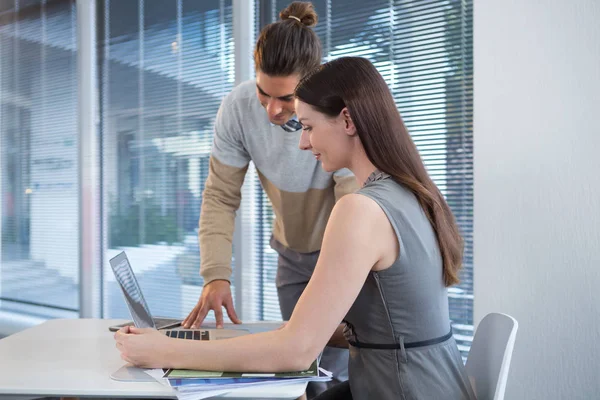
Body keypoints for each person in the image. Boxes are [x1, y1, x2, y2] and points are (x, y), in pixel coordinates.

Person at [115, 56, 477, 400]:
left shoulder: (361, 210)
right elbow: (386, 326)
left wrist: (164, 351)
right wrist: (271, 334)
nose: (303, 142)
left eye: (307, 127)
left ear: (348, 121)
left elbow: (297, 352)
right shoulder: (410, 193)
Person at [181, 2, 355, 397]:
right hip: (291, 255)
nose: (272, 110)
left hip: (342, 255)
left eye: (287, 98)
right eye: (264, 93)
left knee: (339, 377)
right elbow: (220, 197)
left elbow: (353, 201)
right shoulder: (238, 109)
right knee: (301, 376)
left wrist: (338, 278)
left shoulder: (339, 114)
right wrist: (216, 274)